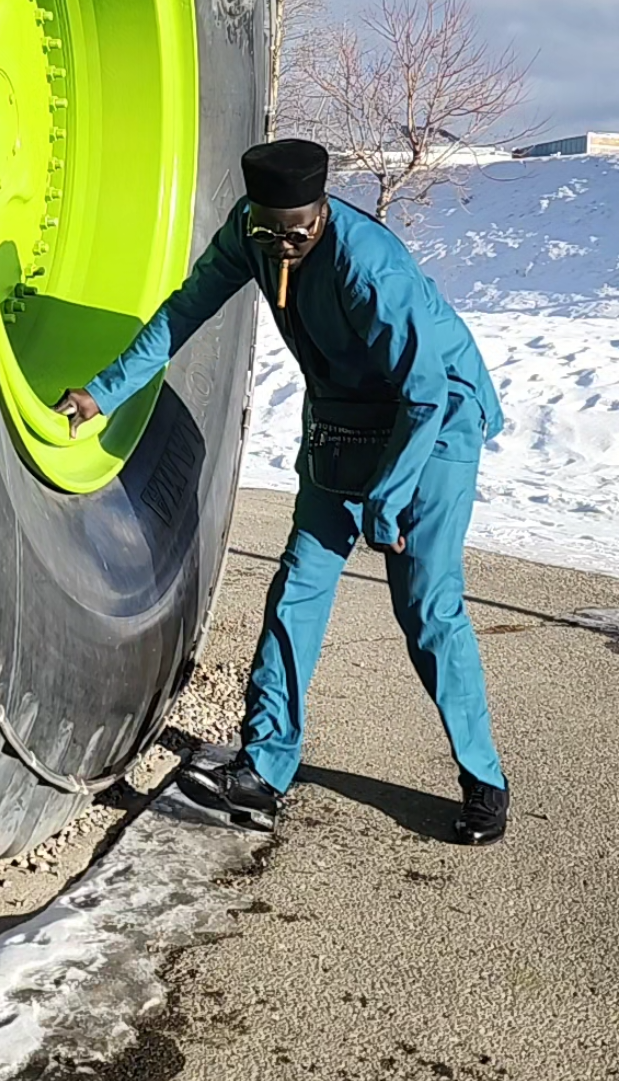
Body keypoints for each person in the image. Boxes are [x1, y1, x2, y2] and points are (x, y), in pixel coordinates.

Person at [54, 138, 510, 845]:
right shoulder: (253, 233)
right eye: (266, 232)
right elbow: (183, 311)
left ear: (321, 211)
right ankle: (263, 772)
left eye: (293, 233)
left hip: (435, 422)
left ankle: (483, 779)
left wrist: (387, 500)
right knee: (296, 586)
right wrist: (103, 392)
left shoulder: (369, 268)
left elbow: (422, 393)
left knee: (425, 606)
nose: (280, 247)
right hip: (340, 421)